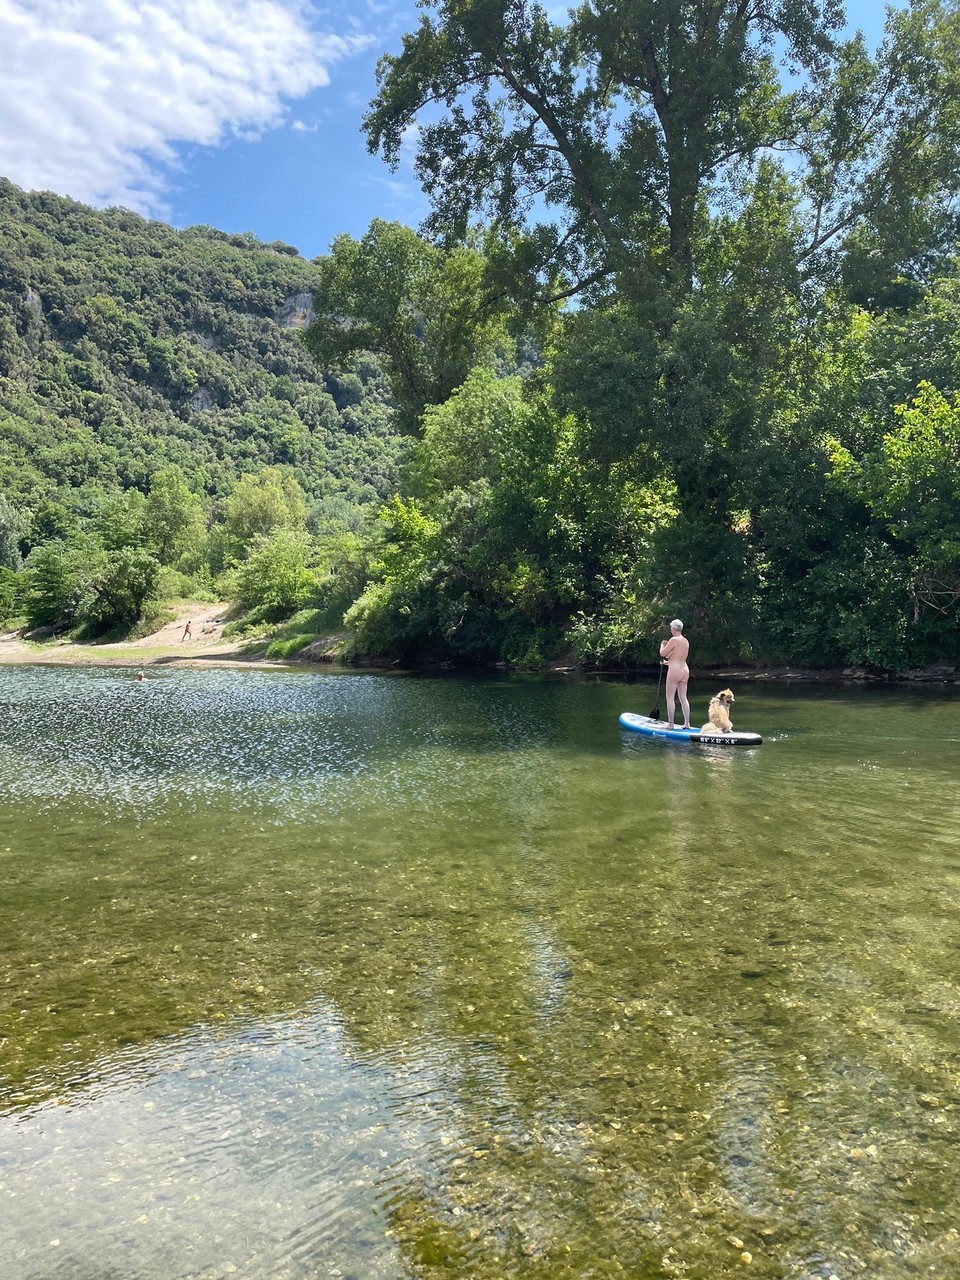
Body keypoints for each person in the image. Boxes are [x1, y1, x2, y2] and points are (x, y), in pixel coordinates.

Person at [659, 618, 691, 730]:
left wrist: (662, 644)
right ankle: (687, 723)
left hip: (675, 671)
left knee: (670, 697)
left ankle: (671, 724)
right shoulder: (685, 641)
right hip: (684, 670)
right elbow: (677, 657)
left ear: (673, 628)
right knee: (683, 697)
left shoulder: (673, 639)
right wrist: (667, 662)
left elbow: (662, 653)